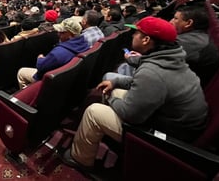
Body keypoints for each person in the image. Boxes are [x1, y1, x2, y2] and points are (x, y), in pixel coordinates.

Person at [62, 17, 208, 174]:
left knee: (94, 112)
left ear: (146, 40)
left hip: (168, 139)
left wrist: (109, 95)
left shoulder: (152, 72)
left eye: (136, 33)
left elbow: (131, 115)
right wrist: (116, 83)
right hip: (173, 122)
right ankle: (102, 131)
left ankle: (80, 159)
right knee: (115, 86)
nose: (132, 36)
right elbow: (145, 84)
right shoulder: (171, 59)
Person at [17, 18, 89, 89]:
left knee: (21, 72)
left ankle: (26, 95)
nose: (58, 34)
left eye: (62, 32)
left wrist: (40, 59)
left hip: (54, 81)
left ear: (71, 34)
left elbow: (41, 67)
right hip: (68, 78)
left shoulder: (58, 53)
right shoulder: (85, 44)